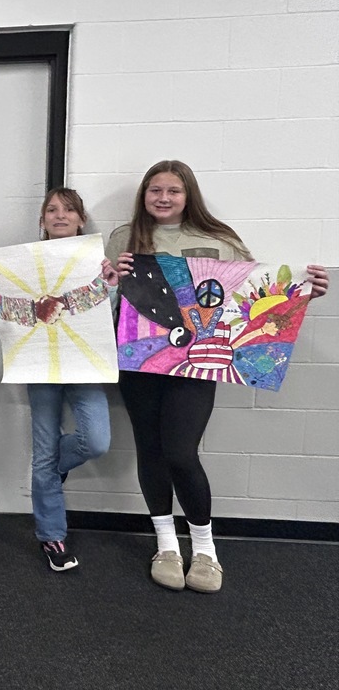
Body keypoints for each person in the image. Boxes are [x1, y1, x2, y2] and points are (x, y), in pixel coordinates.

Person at [107, 160, 330, 593]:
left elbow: (256, 292)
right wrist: (110, 279)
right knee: (150, 450)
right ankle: (166, 543)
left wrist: (306, 290)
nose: (163, 198)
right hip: (139, 361)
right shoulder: (124, 237)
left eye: (173, 190)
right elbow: (113, 300)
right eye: (155, 190)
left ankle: (205, 547)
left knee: (180, 453)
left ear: (188, 194)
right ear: (144, 195)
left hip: (198, 363)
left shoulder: (218, 239)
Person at [18, 188, 115, 572]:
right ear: (42, 220)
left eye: (69, 210)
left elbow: (109, 316)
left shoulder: (96, 262)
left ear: (81, 219)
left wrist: (111, 283)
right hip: (39, 364)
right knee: (42, 452)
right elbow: (15, 311)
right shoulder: (23, 264)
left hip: (84, 364)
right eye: (52, 210)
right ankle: (51, 536)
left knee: (96, 441)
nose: (60, 216)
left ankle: (52, 469)